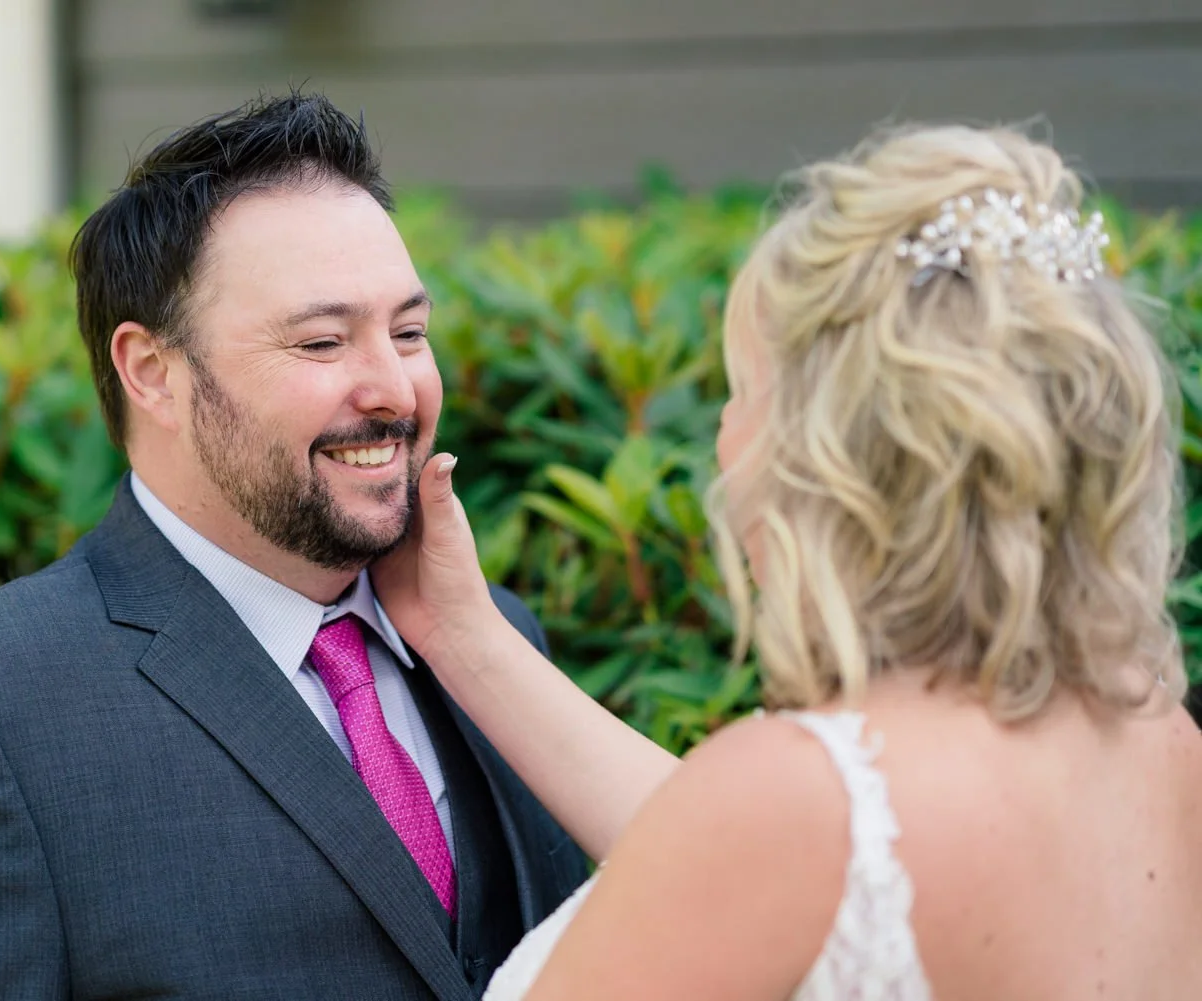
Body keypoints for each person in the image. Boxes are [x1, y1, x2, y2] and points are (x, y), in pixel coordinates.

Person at [372, 124, 1202, 999]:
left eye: (744, 394)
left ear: (838, 456)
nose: (725, 442)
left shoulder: (802, 800)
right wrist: (465, 635)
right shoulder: (1155, 733)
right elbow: (748, 873)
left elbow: (760, 848)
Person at [0, 92, 586, 1000]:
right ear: (152, 372)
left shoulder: (498, 644)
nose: (394, 388)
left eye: (409, 332)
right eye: (323, 340)